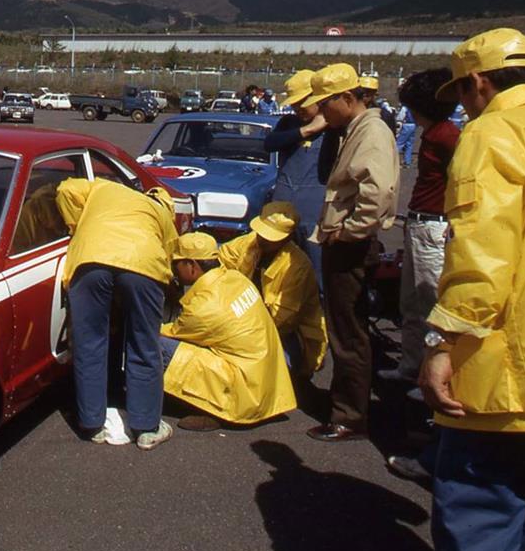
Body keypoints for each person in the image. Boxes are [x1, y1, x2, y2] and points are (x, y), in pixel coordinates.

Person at [417, 28, 525, 551]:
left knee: (480, 521)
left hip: (509, 374)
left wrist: (442, 346)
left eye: (462, 93)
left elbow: (482, 262)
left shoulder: (492, 133)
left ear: (478, 82)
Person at [306, 62, 399, 442]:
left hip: (350, 245)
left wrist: (349, 232)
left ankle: (349, 415)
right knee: (346, 325)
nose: (321, 112)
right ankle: (346, 403)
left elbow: (378, 193)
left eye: (326, 104)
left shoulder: (372, 132)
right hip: (342, 241)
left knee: (349, 332)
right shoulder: (352, 129)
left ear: (348, 98)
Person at [55, 178, 179, 450]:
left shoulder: (102, 187)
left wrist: (77, 226)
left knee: (90, 343)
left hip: (92, 258)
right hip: (143, 265)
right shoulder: (160, 212)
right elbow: (170, 253)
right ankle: (147, 428)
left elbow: (65, 189)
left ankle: (92, 425)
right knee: (144, 344)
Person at [160, 232, 296, 430]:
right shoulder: (235, 278)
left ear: (192, 266)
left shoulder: (204, 307)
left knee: (156, 344)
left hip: (243, 392)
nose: (173, 271)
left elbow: (171, 332)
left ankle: (212, 409)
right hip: (266, 384)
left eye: (176, 265)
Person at [378, 68, 460, 388]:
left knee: (429, 303)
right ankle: (410, 366)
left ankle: (432, 375)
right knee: (410, 302)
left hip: (434, 226)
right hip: (418, 223)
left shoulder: (448, 135)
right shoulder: (433, 132)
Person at [218, 202, 326, 383]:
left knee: (264, 371)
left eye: (271, 238)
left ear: (286, 238)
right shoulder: (250, 242)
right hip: (241, 320)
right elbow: (223, 259)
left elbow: (281, 321)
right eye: (262, 234)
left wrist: (237, 332)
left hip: (285, 335)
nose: (263, 240)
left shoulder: (298, 266)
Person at [263, 70, 328, 287]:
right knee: (279, 272)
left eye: (303, 102)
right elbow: (269, 144)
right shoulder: (289, 124)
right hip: (282, 215)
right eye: (294, 104)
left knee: (317, 273)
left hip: (316, 217)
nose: (297, 108)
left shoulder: (335, 130)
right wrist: (308, 130)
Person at [394, 102, 417, 167]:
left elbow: (400, 118)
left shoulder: (405, 108)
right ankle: (407, 162)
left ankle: (393, 160)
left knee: (399, 143)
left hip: (407, 125)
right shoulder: (413, 108)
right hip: (413, 125)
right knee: (409, 144)